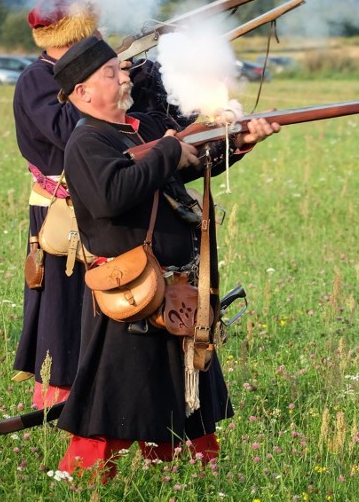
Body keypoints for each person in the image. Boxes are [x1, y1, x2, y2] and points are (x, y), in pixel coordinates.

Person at [51, 36, 280, 479]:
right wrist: (167, 150)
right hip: (131, 290)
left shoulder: (137, 129)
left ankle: (189, 476)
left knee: (185, 394)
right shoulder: (87, 142)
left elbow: (183, 168)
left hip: (175, 289)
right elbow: (110, 195)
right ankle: (83, 478)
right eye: (112, 73)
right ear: (84, 92)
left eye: (121, 69)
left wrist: (241, 141)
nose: (125, 76)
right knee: (113, 400)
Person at [12, 0, 101, 409]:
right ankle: (54, 397)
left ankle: (95, 387)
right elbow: (68, 131)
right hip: (58, 208)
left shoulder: (78, 72)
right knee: (60, 308)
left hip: (98, 199)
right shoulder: (38, 78)